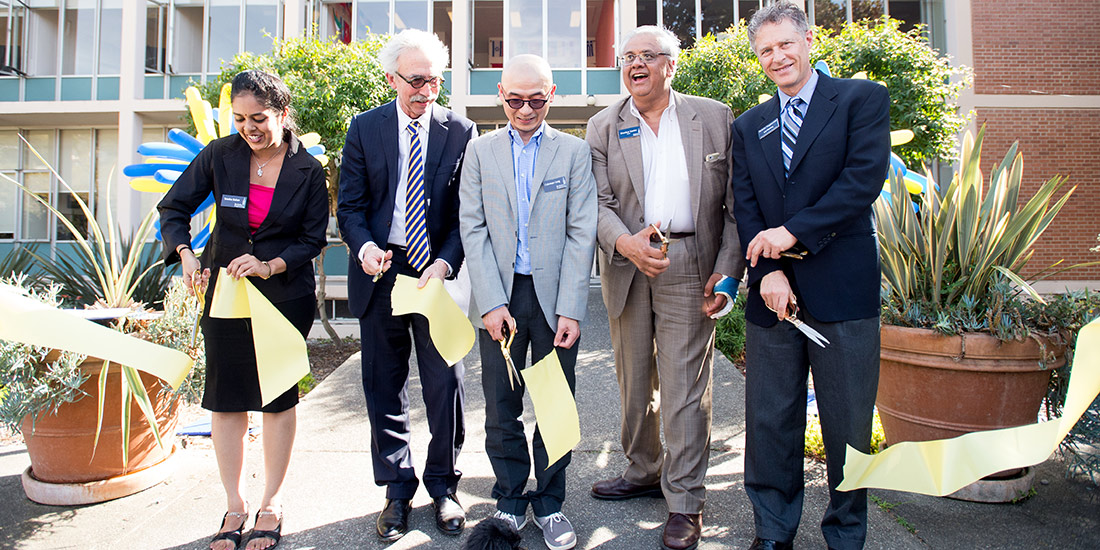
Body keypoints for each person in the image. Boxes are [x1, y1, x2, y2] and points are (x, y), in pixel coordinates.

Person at [730, 3, 891, 549]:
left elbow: (861, 181)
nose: (776, 57)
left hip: (843, 290)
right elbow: (747, 206)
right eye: (765, 51)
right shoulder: (749, 125)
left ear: (809, 40)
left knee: (847, 427)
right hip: (773, 298)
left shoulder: (859, 100)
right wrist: (769, 270)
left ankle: (845, 534)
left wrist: (791, 233)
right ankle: (773, 532)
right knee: (771, 423)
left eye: (784, 45)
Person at [585, 25, 744, 550]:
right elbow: (597, 204)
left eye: (647, 56)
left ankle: (684, 502)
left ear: (671, 66)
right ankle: (642, 470)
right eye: (627, 56)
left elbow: (735, 209)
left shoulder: (715, 118)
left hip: (691, 262)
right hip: (628, 263)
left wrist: (726, 272)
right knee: (633, 383)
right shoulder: (603, 126)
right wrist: (626, 245)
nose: (635, 64)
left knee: (682, 389)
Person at [158, 69, 329, 550]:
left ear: (283, 113)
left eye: (259, 118)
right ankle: (235, 504)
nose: (249, 128)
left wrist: (271, 264)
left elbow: (312, 240)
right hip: (226, 296)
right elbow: (174, 209)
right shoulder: (219, 156)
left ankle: (271, 504)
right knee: (227, 398)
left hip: (283, 297)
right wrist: (188, 255)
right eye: (239, 119)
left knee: (277, 399)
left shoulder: (309, 170)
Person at [336, 28, 477, 542]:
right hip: (382, 271)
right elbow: (348, 207)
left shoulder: (461, 130)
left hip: (435, 275)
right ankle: (398, 491)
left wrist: (445, 262)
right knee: (383, 385)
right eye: (416, 80)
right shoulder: (364, 128)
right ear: (393, 77)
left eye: (434, 81)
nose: (425, 90)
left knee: (447, 387)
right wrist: (364, 247)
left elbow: (468, 214)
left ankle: (444, 486)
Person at [459, 54, 597, 550]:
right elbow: (471, 228)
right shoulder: (480, 151)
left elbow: (583, 232)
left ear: (551, 95)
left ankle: (551, 502)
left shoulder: (573, 152)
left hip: (555, 297)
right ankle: (511, 499)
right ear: (500, 94)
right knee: (501, 404)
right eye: (514, 99)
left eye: (535, 99)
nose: (524, 109)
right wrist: (491, 302)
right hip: (501, 294)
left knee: (556, 403)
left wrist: (573, 307)